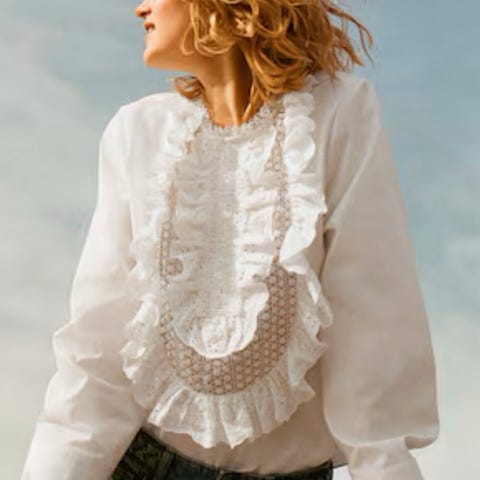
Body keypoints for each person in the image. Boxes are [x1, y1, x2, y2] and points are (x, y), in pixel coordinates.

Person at [20, 0, 440, 479]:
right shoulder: (137, 133)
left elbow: (371, 330)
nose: (140, 8)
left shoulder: (336, 115)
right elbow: (97, 356)